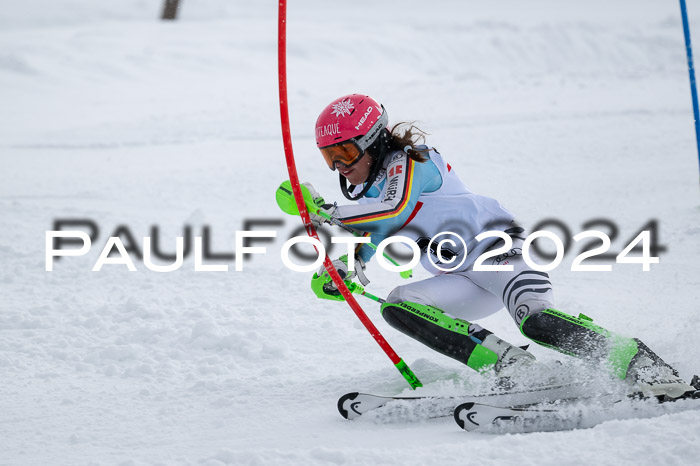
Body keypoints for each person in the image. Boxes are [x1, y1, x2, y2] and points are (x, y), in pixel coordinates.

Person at [305, 93, 694, 399]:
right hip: (460, 277)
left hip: (498, 254)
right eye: (330, 158)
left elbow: (396, 206)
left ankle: (643, 365)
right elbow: (378, 228)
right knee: (400, 305)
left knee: (536, 321)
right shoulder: (373, 191)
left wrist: (325, 211)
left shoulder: (414, 161)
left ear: (373, 141)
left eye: (345, 154)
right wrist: (347, 268)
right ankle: (512, 367)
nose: (340, 167)